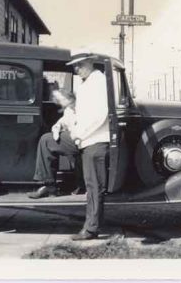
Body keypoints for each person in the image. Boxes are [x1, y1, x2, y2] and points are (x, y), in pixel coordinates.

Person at [67, 51, 110, 241]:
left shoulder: (98, 81)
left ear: (91, 62)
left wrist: (79, 134)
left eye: (80, 64)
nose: (77, 69)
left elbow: (101, 115)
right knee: (92, 186)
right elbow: (80, 112)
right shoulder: (87, 83)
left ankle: (91, 229)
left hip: (96, 140)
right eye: (74, 66)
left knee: (94, 187)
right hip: (86, 139)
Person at [28, 89, 80, 199]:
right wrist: (57, 127)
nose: (58, 102)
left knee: (46, 140)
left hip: (81, 138)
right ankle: (48, 185)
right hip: (74, 138)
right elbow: (63, 121)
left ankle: (49, 185)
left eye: (60, 99)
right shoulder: (69, 109)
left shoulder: (80, 107)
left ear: (68, 98)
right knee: (48, 141)